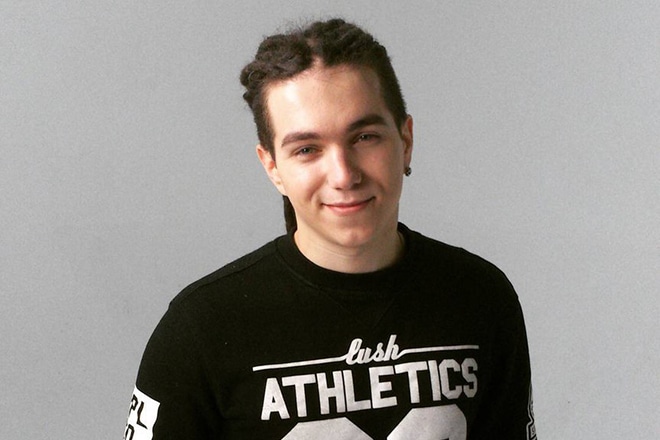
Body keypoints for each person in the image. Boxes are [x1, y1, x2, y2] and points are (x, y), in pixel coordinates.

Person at [125, 18, 536, 440]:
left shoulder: (482, 298)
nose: (343, 175)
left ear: (406, 141)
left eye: (365, 137)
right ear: (272, 167)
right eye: (307, 149)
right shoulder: (200, 328)